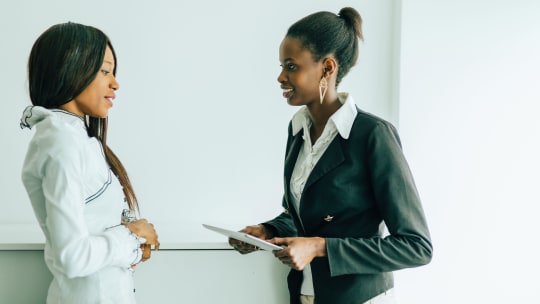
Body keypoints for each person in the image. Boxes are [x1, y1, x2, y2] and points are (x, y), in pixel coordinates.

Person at [230, 7, 432, 304]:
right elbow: (301, 216)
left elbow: (416, 247)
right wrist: (267, 230)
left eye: (291, 66)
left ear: (327, 68)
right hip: (306, 294)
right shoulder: (297, 130)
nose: (280, 77)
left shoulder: (373, 135)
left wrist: (320, 247)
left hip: (359, 298)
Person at [20, 22, 159, 304]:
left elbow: (94, 226)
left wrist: (133, 247)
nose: (115, 82)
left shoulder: (74, 138)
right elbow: (73, 257)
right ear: (69, 69)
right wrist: (132, 236)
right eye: (105, 71)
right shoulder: (60, 142)